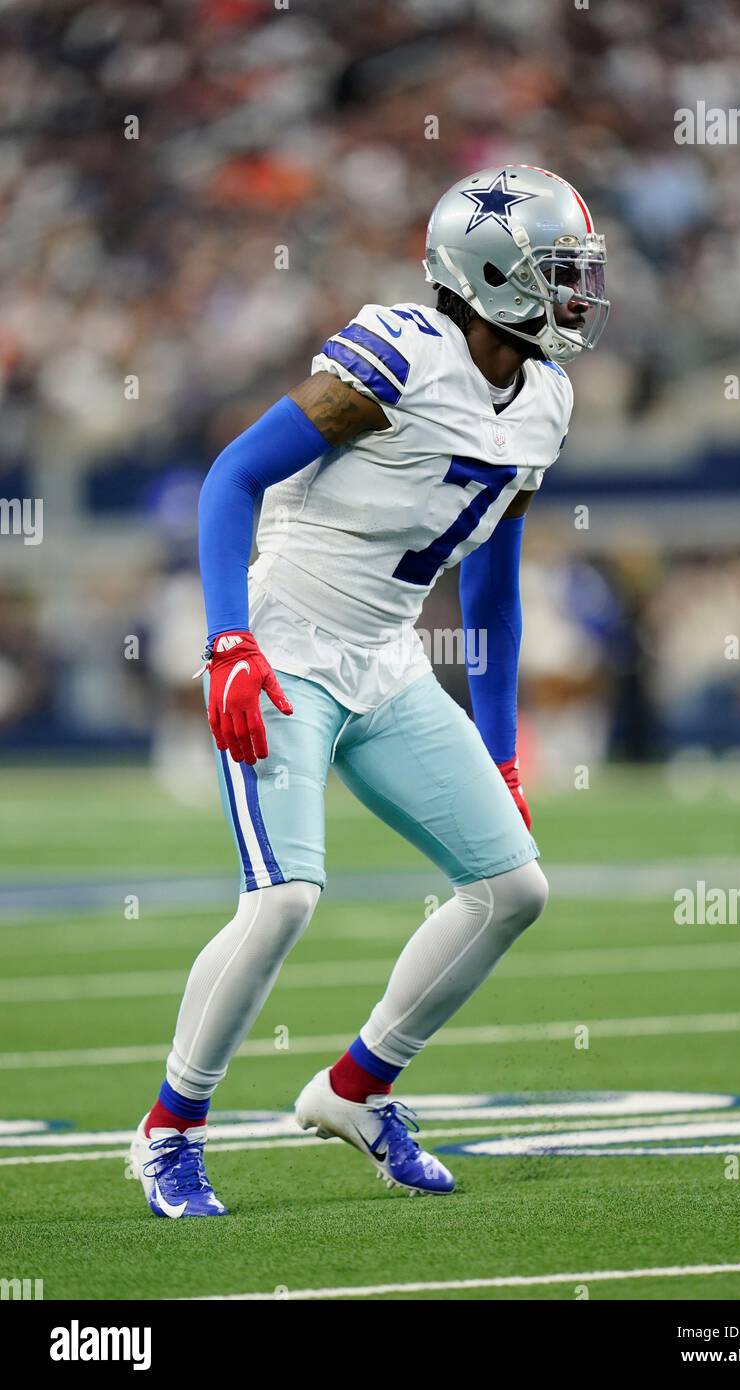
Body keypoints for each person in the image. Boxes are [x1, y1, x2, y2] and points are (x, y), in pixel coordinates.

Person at [128, 165, 609, 1216]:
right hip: (286, 649)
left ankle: (355, 1088)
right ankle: (171, 1129)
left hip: (386, 660)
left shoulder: (546, 399)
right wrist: (227, 643)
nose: (578, 294)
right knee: (286, 897)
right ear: (489, 275)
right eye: (557, 272)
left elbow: (489, 579)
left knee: (511, 889)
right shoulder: (398, 352)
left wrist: (499, 744)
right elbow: (232, 478)